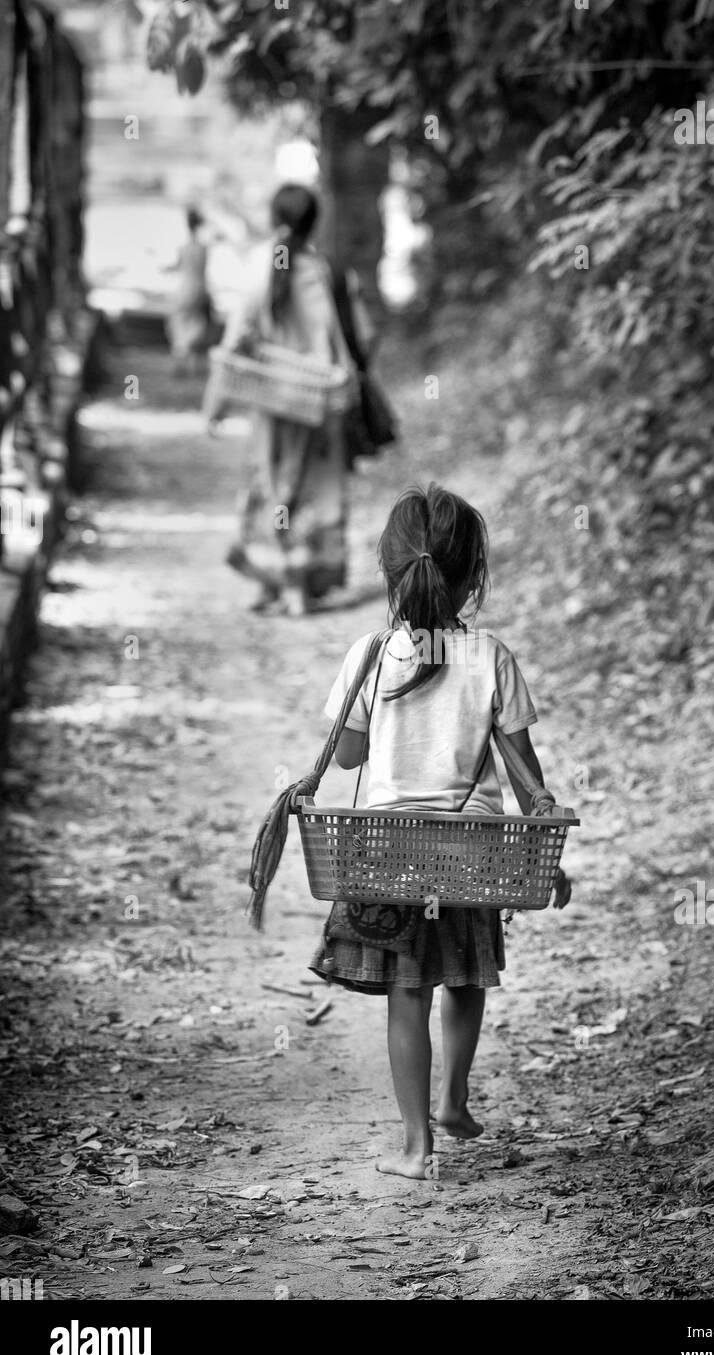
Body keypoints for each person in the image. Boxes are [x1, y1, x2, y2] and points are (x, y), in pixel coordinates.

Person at [308, 483, 572, 1178]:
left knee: (408, 994)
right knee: (464, 978)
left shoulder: (369, 655)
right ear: (472, 577)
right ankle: (454, 1102)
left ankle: (416, 1144)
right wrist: (550, 860)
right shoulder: (491, 657)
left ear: (390, 573)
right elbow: (527, 780)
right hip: (474, 857)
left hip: (390, 856)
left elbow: (350, 756)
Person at [219, 184, 362, 616]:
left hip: (269, 400)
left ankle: (271, 582)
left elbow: (234, 340)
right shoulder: (324, 271)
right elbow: (349, 342)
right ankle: (299, 588)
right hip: (317, 403)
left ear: (272, 216)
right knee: (310, 492)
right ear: (313, 221)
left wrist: (217, 403)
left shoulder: (258, 264)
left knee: (270, 487)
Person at [167, 206, 214, 371]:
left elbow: (178, 266)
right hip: (201, 289)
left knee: (180, 324)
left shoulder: (184, 248)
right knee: (198, 324)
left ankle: (182, 352)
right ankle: (191, 358)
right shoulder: (203, 248)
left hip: (186, 290)